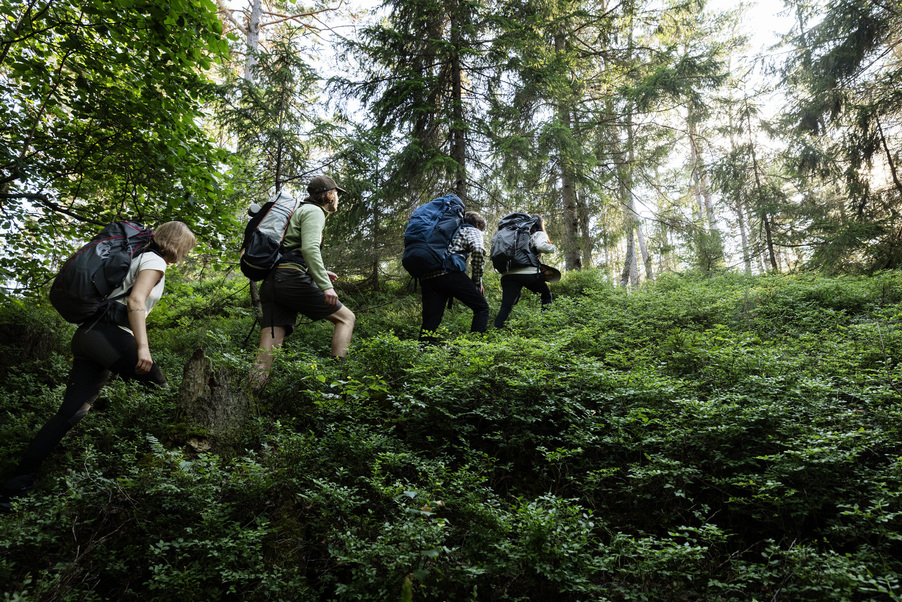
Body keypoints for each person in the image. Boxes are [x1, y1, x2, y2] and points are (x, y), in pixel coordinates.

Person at [0, 221, 197, 512]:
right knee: (164, 393)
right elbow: (135, 301)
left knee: (69, 413)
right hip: (110, 335)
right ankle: (173, 475)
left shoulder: (136, 256)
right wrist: (143, 347)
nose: (186, 255)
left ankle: (14, 488)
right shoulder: (154, 261)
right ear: (178, 245)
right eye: (187, 249)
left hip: (87, 336)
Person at [250, 175, 356, 388]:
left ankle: (250, 397)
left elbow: (291, 249)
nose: (337, 198)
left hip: (272, 283)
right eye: (336, 194)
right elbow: (309, 248)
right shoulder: (315, 212)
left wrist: (321, 272)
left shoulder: (297, 211)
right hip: (290, 279)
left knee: (266, 352)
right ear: (327, 194)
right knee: (346, 318)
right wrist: (327, 287)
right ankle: (337, 385)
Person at [419, 211, 490, 344]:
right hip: (449, 273)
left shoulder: (445, 231)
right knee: (482, 307)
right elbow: (478, 250)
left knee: (430, 320)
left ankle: (423, 354)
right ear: (477, 224)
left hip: (428, 276)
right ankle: (476, 349)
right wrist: (477, 281)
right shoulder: (472, 230)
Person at [493, 215, 556, 328]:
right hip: (527, 272)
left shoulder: (516, 234)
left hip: (507, 274)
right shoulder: (537, 233)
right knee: (546, 295)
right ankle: (547, 325)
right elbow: (541, 246)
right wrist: (552, 247)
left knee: (506, 306)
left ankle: (495, 330)